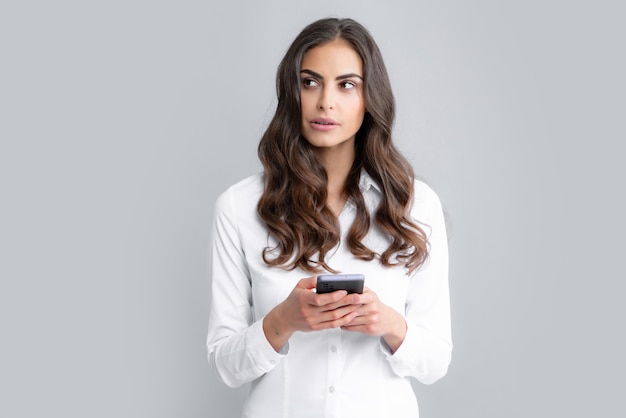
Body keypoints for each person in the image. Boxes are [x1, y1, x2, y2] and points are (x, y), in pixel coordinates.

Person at [206, 17, 451, 418]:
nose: (325, 102)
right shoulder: (238, 208)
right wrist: (281, 321)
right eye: (310, 82)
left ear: (369, 98)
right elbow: (224, 364)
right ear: (292, 91)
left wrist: (389, 324)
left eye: (346, 84)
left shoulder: (416, 206)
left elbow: (436, 361)